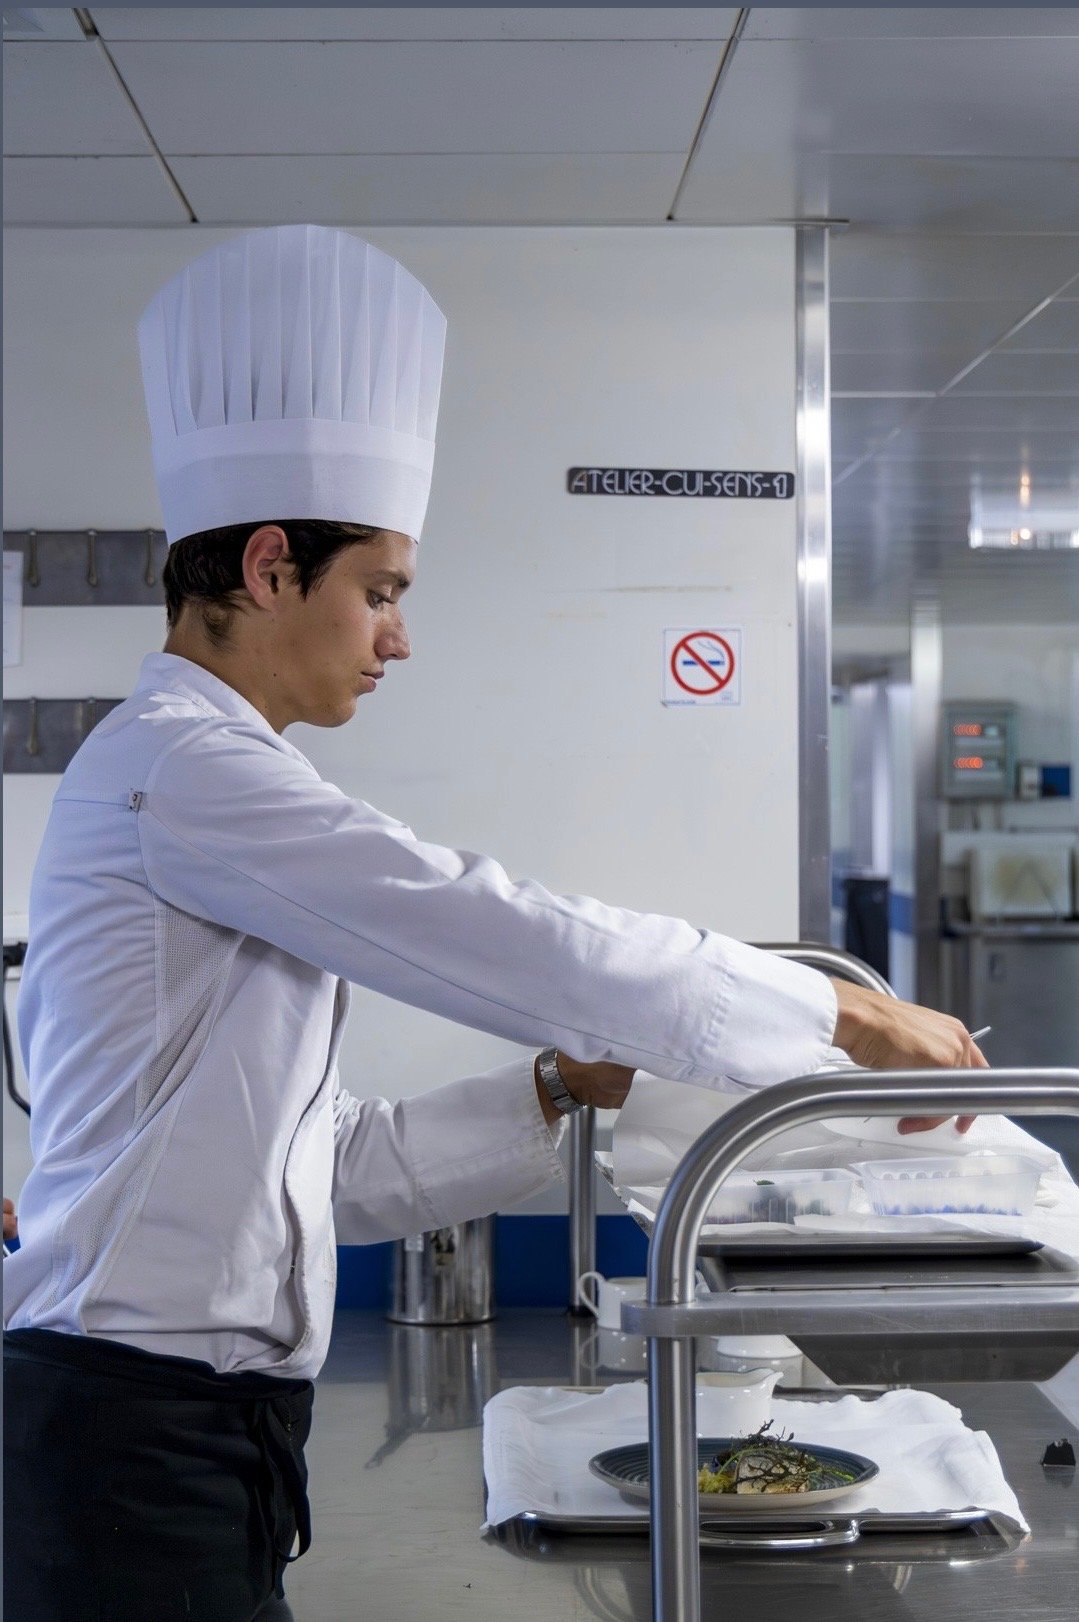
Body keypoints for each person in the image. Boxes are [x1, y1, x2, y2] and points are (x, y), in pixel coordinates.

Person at [2, 226, 985, 1622]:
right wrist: (842, 1012)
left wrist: (546, 1089)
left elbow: (327, 1170)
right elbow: (499, 928)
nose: (397, 636)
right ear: (273, 564)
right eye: (382, 591)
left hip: (195, 1438)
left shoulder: (221, 787)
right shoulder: (187, 767)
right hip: (130, 1445)